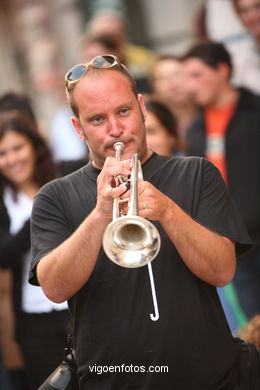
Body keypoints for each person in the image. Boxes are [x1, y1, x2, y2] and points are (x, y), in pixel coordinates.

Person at [29, 54, 252, 389]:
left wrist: (167, 211)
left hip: (209, 378)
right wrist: (101, 214)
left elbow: (222, 271)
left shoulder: (196, 173)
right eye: (97, 120)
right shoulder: (54, 196)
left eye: (123, 111)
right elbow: (54, 288)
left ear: (142, 107)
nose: (116, 129)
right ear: (78, 128)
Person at [182, 41, 260, 328]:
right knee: (254, 326)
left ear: (222, 71)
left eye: (196, 75)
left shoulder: (255, 111)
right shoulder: (195, 129)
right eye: (186, 77)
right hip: (235, 246)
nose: (190, 86)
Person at [0, 111, 69, 389]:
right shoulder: (4, 199)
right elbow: (3, 255)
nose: (12, 159)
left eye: (18, 148)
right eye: (3, 153)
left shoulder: (63, 179)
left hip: (78, 307)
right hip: (33, 320)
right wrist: (41, 216)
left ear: (33, 146)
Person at [150, 55, 198, 150]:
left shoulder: (210, 113)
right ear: (154, 87)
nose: (172, 82)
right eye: (162, 78)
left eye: (177, 74)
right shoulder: (152, 124)